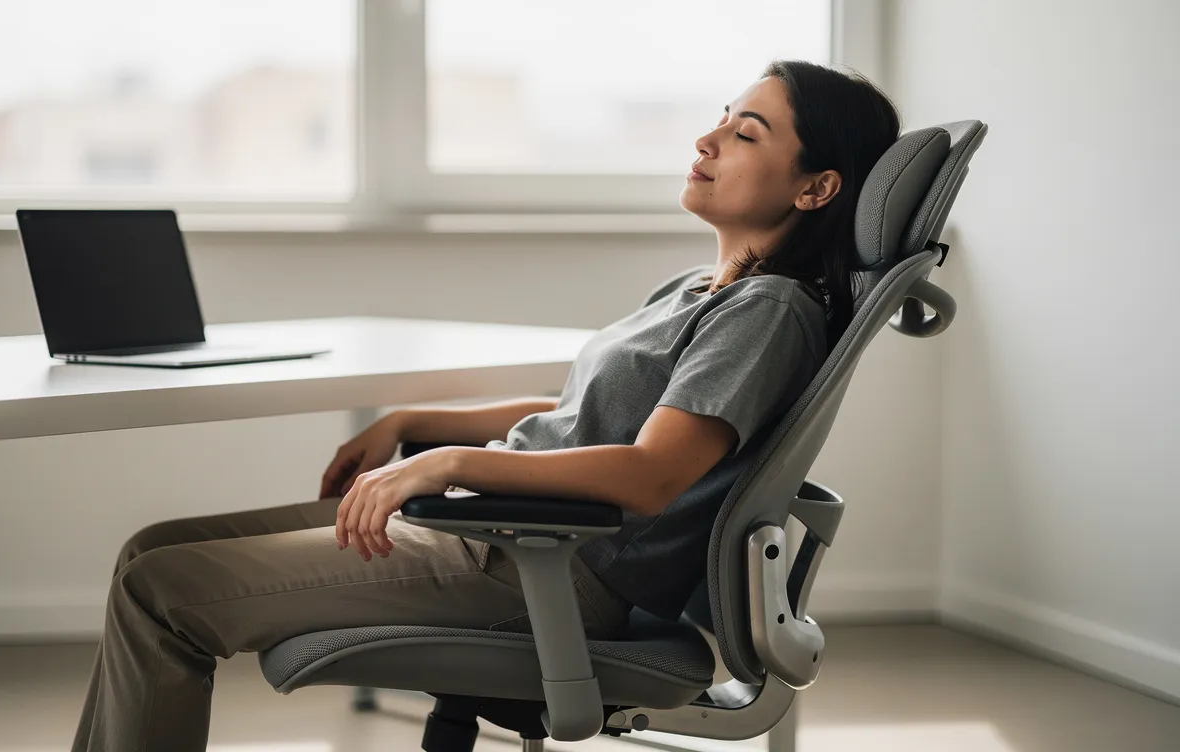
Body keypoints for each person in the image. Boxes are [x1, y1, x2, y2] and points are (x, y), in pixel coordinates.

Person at [72, 59, 900, 752]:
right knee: (151, 549)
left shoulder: (767, 312)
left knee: (164, 592)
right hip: (491, 527)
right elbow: (580, 414)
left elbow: (651, 475)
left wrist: (450, 463)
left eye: (746, 133)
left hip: (541, 562)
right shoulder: (699, 289)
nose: (707, 139)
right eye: (723, 118)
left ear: (818, 187)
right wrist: (415, 427)